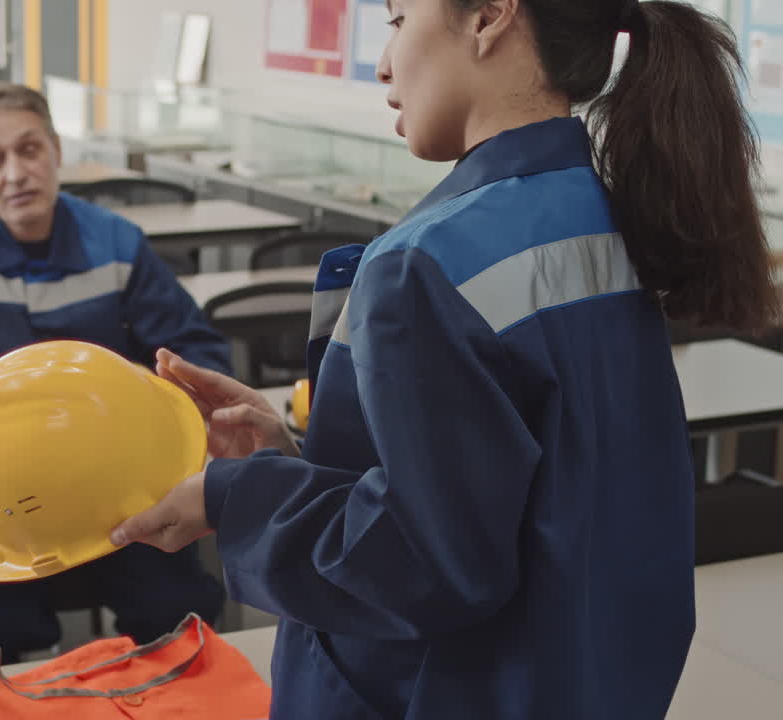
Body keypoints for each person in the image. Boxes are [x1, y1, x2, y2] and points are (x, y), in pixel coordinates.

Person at [111, 1, 780, 718]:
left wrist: (232, 498)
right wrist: (293, 463)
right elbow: (523, 491)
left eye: (398, 19)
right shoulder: (605, 215)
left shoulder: (427, 265)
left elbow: (426, 565)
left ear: (490, 15)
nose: (384, 61)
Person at [0, 82, 229, 659]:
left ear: (57, 151)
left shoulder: (115, 241)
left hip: (116, 488)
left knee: (179, 608)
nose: (15, 173)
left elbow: (194, 348)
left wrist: (153, 394)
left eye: (29, 150)